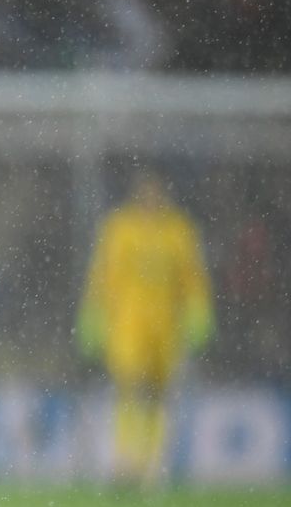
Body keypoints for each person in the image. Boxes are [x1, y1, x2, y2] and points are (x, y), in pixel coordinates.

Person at [77, 169, 214, 487]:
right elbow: (103, 276)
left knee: (158, 394)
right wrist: (93, 317)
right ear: (137, 194)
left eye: (156, 193)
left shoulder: (179, 230)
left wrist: (199, 315)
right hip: (128, 323)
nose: (151, 199)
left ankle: (153, 464)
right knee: (130, 388)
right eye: (146, 193)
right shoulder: (119, 228)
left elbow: (192, 278)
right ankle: (125, 460)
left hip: (166, 326)